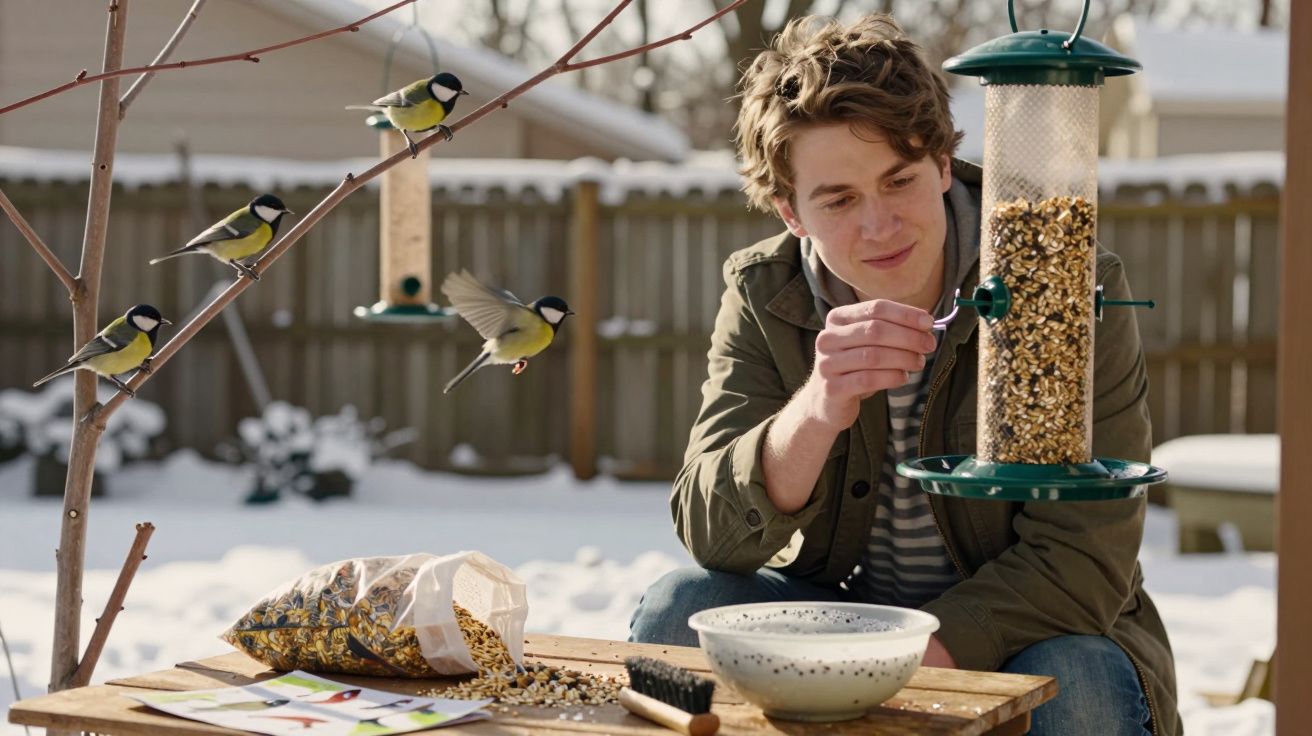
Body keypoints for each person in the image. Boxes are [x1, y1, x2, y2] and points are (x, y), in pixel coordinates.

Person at [628, 13, 1180, 736]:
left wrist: (898, 666)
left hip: (1021, 630)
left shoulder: (1061, 278)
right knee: (680, 608)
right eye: (839, 200)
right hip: (839, 614)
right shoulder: (766, 292)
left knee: (1078, 681)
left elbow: (1084, 556)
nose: (880, 226)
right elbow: (712, 534)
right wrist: (818, 407)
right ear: (792, 212)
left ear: (943, 165)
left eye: (900, 181)